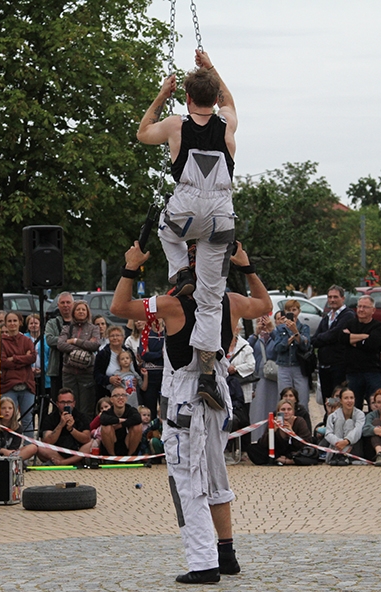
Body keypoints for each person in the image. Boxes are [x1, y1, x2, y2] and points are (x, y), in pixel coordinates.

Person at [109, 239, 270, 585]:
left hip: (187, 404)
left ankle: (203, 562)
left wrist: (131, 266)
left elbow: (119, 306)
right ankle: (226, 554)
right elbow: (265, 304)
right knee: (215, 477)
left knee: (188, 483)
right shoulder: (232, 302)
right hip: (216, 402)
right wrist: (247, 265)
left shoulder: (173, 304)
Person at [137, 49, 238, 412]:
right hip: (221, 215)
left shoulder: (176, 123)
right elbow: (230, 100)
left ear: (188, 98)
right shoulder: (227, 122)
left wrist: (162, 95)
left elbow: (142, 132)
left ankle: (181, 270)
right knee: (212, 300)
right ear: (215, 98)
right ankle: (209, 372)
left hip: (188, 207)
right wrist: (211, 67)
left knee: (167, 229)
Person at [18, 388, 92, 466]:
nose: (66, 405)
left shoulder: (81, 416)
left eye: (69, 402)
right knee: (39, 447)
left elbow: (86, 439)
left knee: (91, 443)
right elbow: (46, 441)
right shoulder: (50, 418)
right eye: (62, 402)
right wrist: (60, 425)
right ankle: (72, 462)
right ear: (57, 403)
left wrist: (72, 430)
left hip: (76, 451)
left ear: (74, 403)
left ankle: (64, 463)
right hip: (56, 452)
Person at [338, 296, 381, 411]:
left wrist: (352, 339)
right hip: (353, 372)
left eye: (365, 307)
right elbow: (342, 339)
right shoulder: (349, 323)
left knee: (375, 406)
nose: (361, 309)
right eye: (359, 306)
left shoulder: (378, 326)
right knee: (352, 406)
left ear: (373, 310)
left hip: (372, 372)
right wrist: (364, 337)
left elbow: (372, 344)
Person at [57, 300, 101, 415]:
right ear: (73, 312)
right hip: (69, 373)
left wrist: (75, 341)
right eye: (78, 309)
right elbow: (60, 344)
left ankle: (86, 431)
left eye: (83, 309)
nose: (81, 312)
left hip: (87, 373)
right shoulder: (67, 328)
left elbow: (95, 345)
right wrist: (83, 348)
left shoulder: (94, 328)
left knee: (86, 407)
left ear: (87, 312)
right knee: (69, 406)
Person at [0, 311, 37, 438]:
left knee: (27, 420)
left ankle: (29, 448)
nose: (12, 324)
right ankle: (9, 447)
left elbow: (32, 358)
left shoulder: (27, 340)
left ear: (20, 322)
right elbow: (3, 362)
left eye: (15, 321)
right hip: (8, 385)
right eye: (9, 321)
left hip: (27, 385)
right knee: (7, 419)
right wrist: (22, 358)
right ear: (5, 323)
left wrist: (13, 358)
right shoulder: (1, 342)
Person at [247, 396, 313, 466]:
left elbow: (306, 442)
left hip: (294, 451)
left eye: (289, 409)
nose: (286, 412)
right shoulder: (274, 421)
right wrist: (272, 431)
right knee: (252, 448)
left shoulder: (299, 421)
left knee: (310, 453)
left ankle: (289, 461)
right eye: (283, 409)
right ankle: (277, 459)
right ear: (278, 412)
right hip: (277, 451)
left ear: (293, 411)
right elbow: (263, 443)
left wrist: (292, 433)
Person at [271, 299, 311, 409]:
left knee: (302, 398)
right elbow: (277, 348)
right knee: (284, 399)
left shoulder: (304, 327)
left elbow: (306, 346)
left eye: (294, 310)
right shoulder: (280, 328)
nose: (292, 312)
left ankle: (302, 422)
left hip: (299, 366)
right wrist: (287, 342)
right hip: (284, 366)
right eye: (289, 310)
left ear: (299, 311)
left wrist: (296, 332)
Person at [248, 314, 279, 441]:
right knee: (257, 410)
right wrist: (256, 334)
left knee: (273, 407)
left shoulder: (275, 336)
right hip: (258, 379)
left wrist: (271, 331)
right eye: (259, 320)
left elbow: (280, 347)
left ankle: (273, 439)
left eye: (264, 320)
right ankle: (257, 438)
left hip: (272, 378)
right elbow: (247, 348)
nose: (262, 323)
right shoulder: (254, 338)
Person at [93, 326, 136, 403]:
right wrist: (109, 379)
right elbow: (96, 375)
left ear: (123, 337)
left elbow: (135, 370)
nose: (115, 338)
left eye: (118, 335)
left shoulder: (128, 351)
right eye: (112, 336)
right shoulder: (103, 354)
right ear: (108, 338)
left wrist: (135, 380)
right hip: (108, 393)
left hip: (129, 393)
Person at [323, 387, 364, 466]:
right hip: (336, 447)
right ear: (341, 400)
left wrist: (346, 441)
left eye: (351, 398)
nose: (349, 401)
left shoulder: (360, 414)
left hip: (354, 448)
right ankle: (338, 454)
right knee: (339, 421)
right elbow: (328, 433)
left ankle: (344, 455)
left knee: (349, 422)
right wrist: (339, 443)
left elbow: (358, 430)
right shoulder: (332, 416)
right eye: (346, 398)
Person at [45, 292, 74, 401]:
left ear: (73, 304)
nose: (65, 305)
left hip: (75, 370)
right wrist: (71, 341)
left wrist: (62, 342)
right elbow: (49, 340)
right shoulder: (52, 323)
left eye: (68, 302)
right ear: (58, 305)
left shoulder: (79, 323)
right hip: (57, 369)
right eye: (62, 303)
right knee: (57, 401)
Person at [99, 385, 143, 456]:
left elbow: (137, 419)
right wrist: (119, 420)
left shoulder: (131, 410)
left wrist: (121, 425)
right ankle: (112, 457)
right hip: (112, 443)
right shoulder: (107, 412)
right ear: (111, 399)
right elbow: (103, 419)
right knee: (106, 427)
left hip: (128, 443)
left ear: (126, 398)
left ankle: (130, 456)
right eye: (116, 395)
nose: (120, 398)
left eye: (123, 395)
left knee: (138, 426)